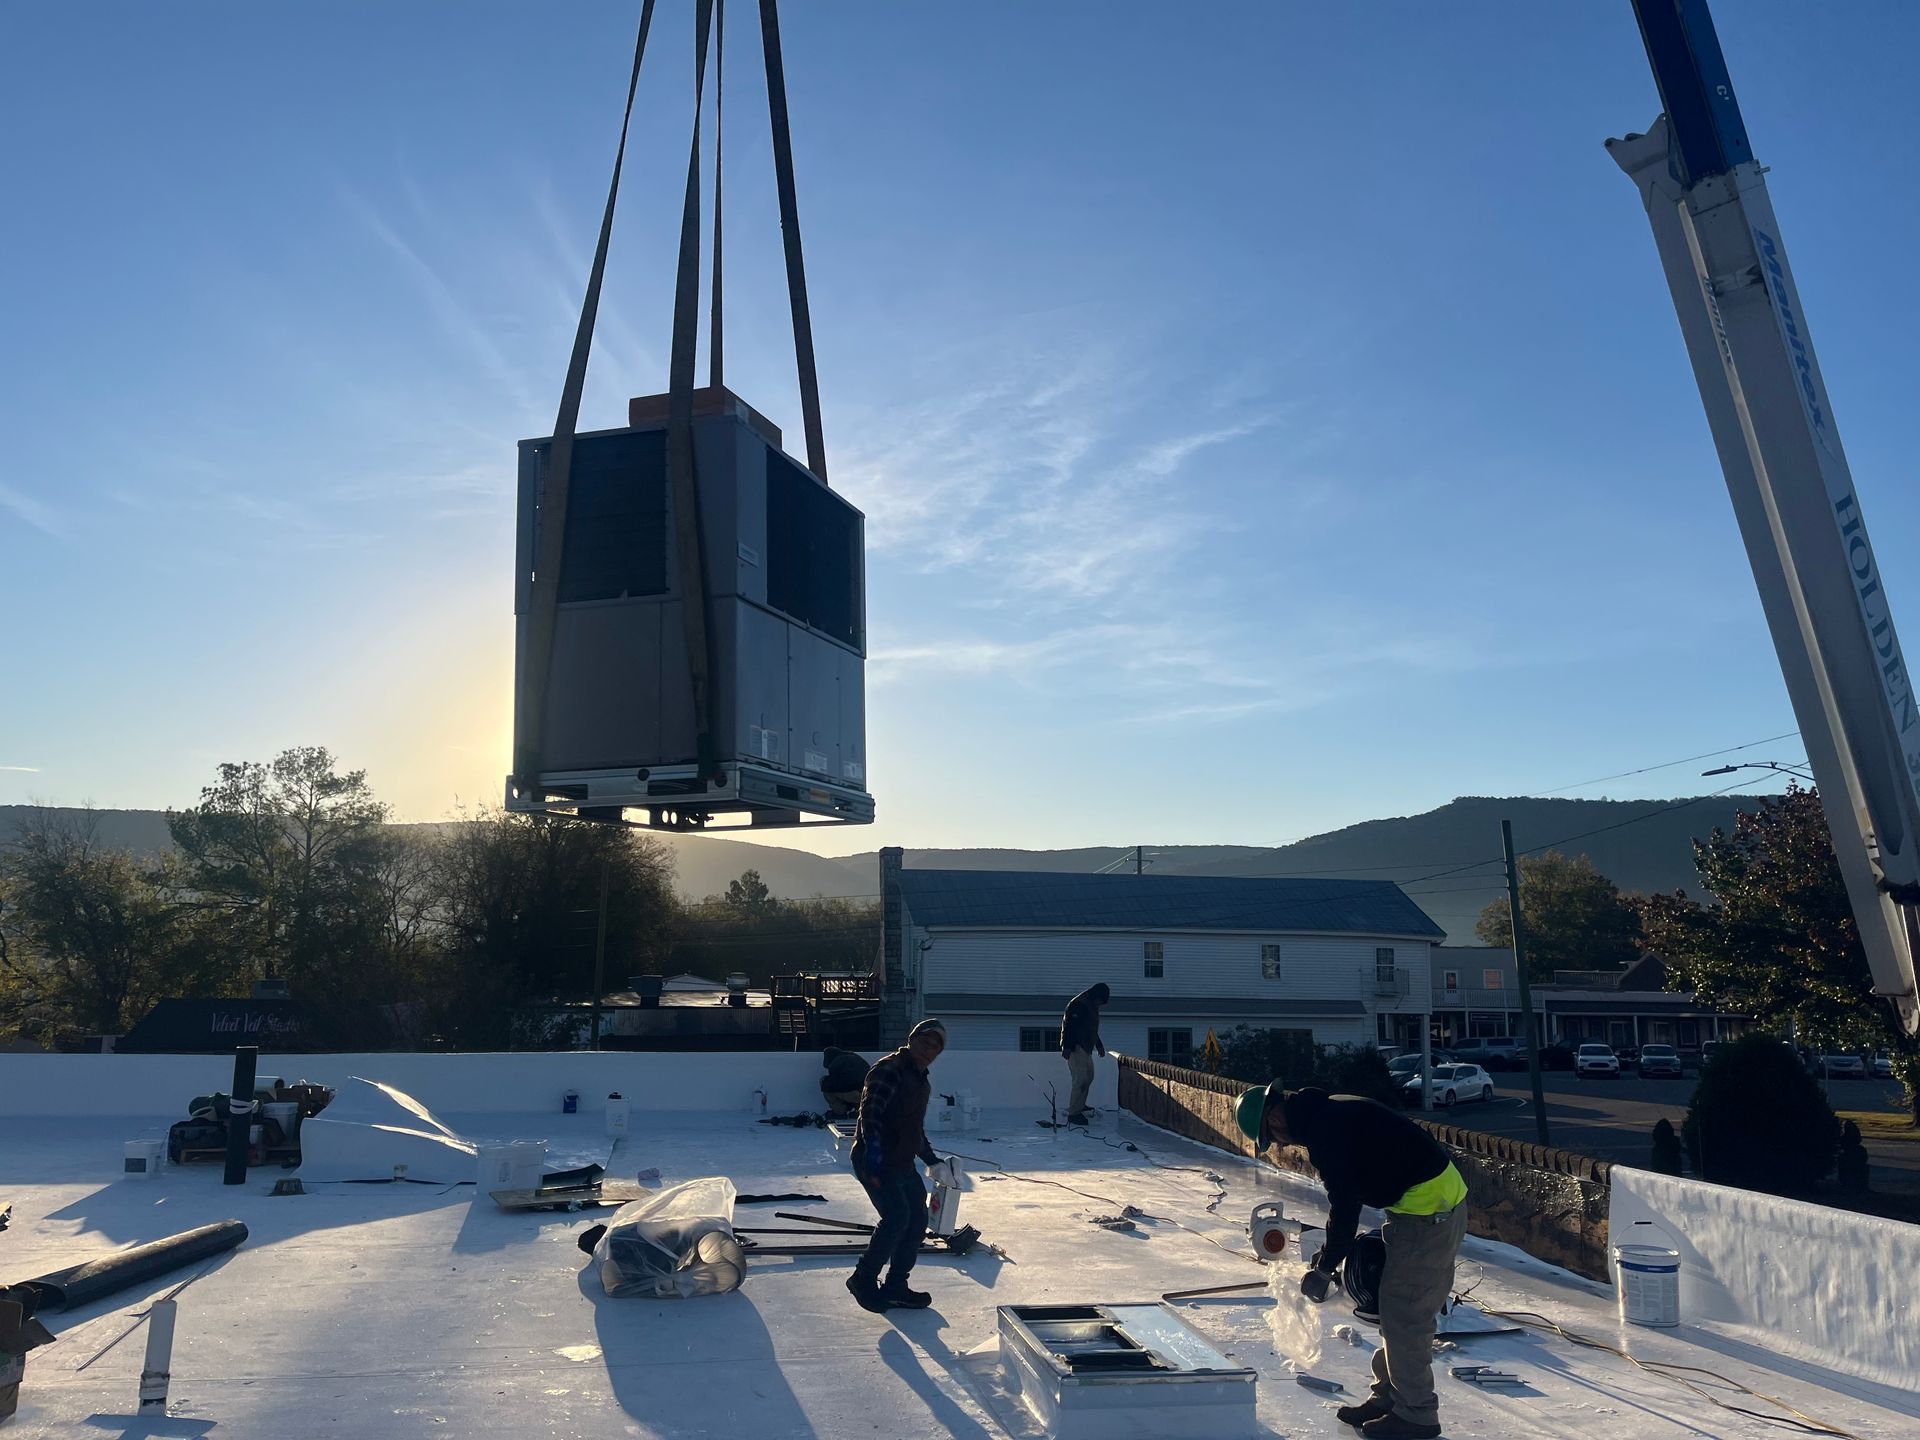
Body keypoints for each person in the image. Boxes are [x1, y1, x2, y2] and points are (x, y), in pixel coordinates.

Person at [1236, 1079, 1468, 1440]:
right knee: (1391, 1308)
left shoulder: (1326, 1135)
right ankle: (1390, 1397)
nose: (1280, 1144)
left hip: (1431, 1213)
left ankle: (1417, 1414)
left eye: (1273, 1137)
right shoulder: (1327, 1111)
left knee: (1406, 1314)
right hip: (1416, 1208)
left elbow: (1345, 1208)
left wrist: (1325, 1268)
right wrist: (1328, 1257)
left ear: (1274, 1118)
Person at [846, 1018, 948, 1313]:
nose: (929, 1050)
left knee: (917, 1220)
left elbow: (914, 1128)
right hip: (876, 1158)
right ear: (912, 1039)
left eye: (936, 1047)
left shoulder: (921, 1080)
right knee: (896, 1217)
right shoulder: (889, 1069)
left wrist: (932, 1160)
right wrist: (874, 1163)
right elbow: (871, 1118)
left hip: (901, 1161)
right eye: (925, 1042)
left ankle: (895, 1286)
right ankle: (862, 1279)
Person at [1059, 983, 1109, 1123]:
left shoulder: (1091, 1004)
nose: (1100, 1004)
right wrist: (1067, 1047)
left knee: (1089, 1077)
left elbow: (1090, 1028)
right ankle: (1074, 1113)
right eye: (1100, 1001)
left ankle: (1080, 1105)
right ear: (1096, 996)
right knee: (1080, 1079)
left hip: (1085, 1047)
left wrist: (1098, 1045)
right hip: (1075, 1046)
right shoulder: (1080, 1004)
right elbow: (1070, 1025)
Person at [819, 1047, 870, 1117]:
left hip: (856, 1094)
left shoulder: (835, 1064)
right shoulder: (853, 1057)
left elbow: (836, 1085)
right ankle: (860, 1111)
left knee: (827, 1089)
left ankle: (839, 1113)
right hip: (868, 1092)